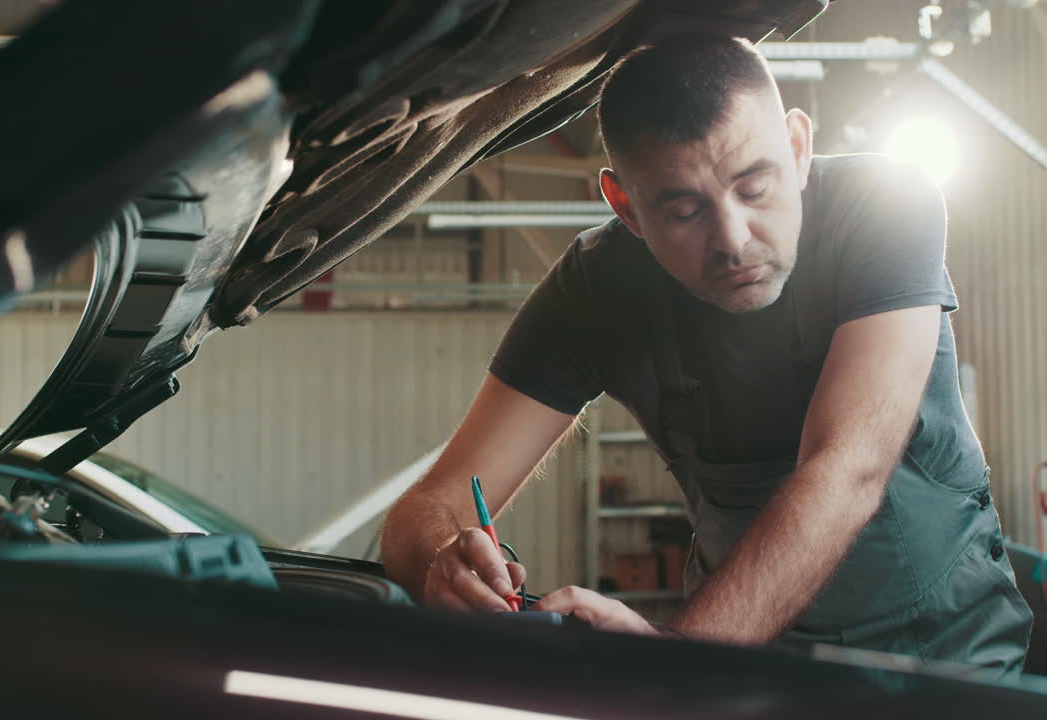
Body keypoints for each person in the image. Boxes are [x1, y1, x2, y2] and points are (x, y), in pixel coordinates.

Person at [380, 33, 1033, 674]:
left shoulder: (885, 206)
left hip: (948, 659)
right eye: (685, 209)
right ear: (626, 207)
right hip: (742, 664)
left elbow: (847, 467)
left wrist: (675, 662)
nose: (732, 239)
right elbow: (426, 508)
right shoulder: (596, 288)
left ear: (799, 148)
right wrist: (443, 561)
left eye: (755, 189)